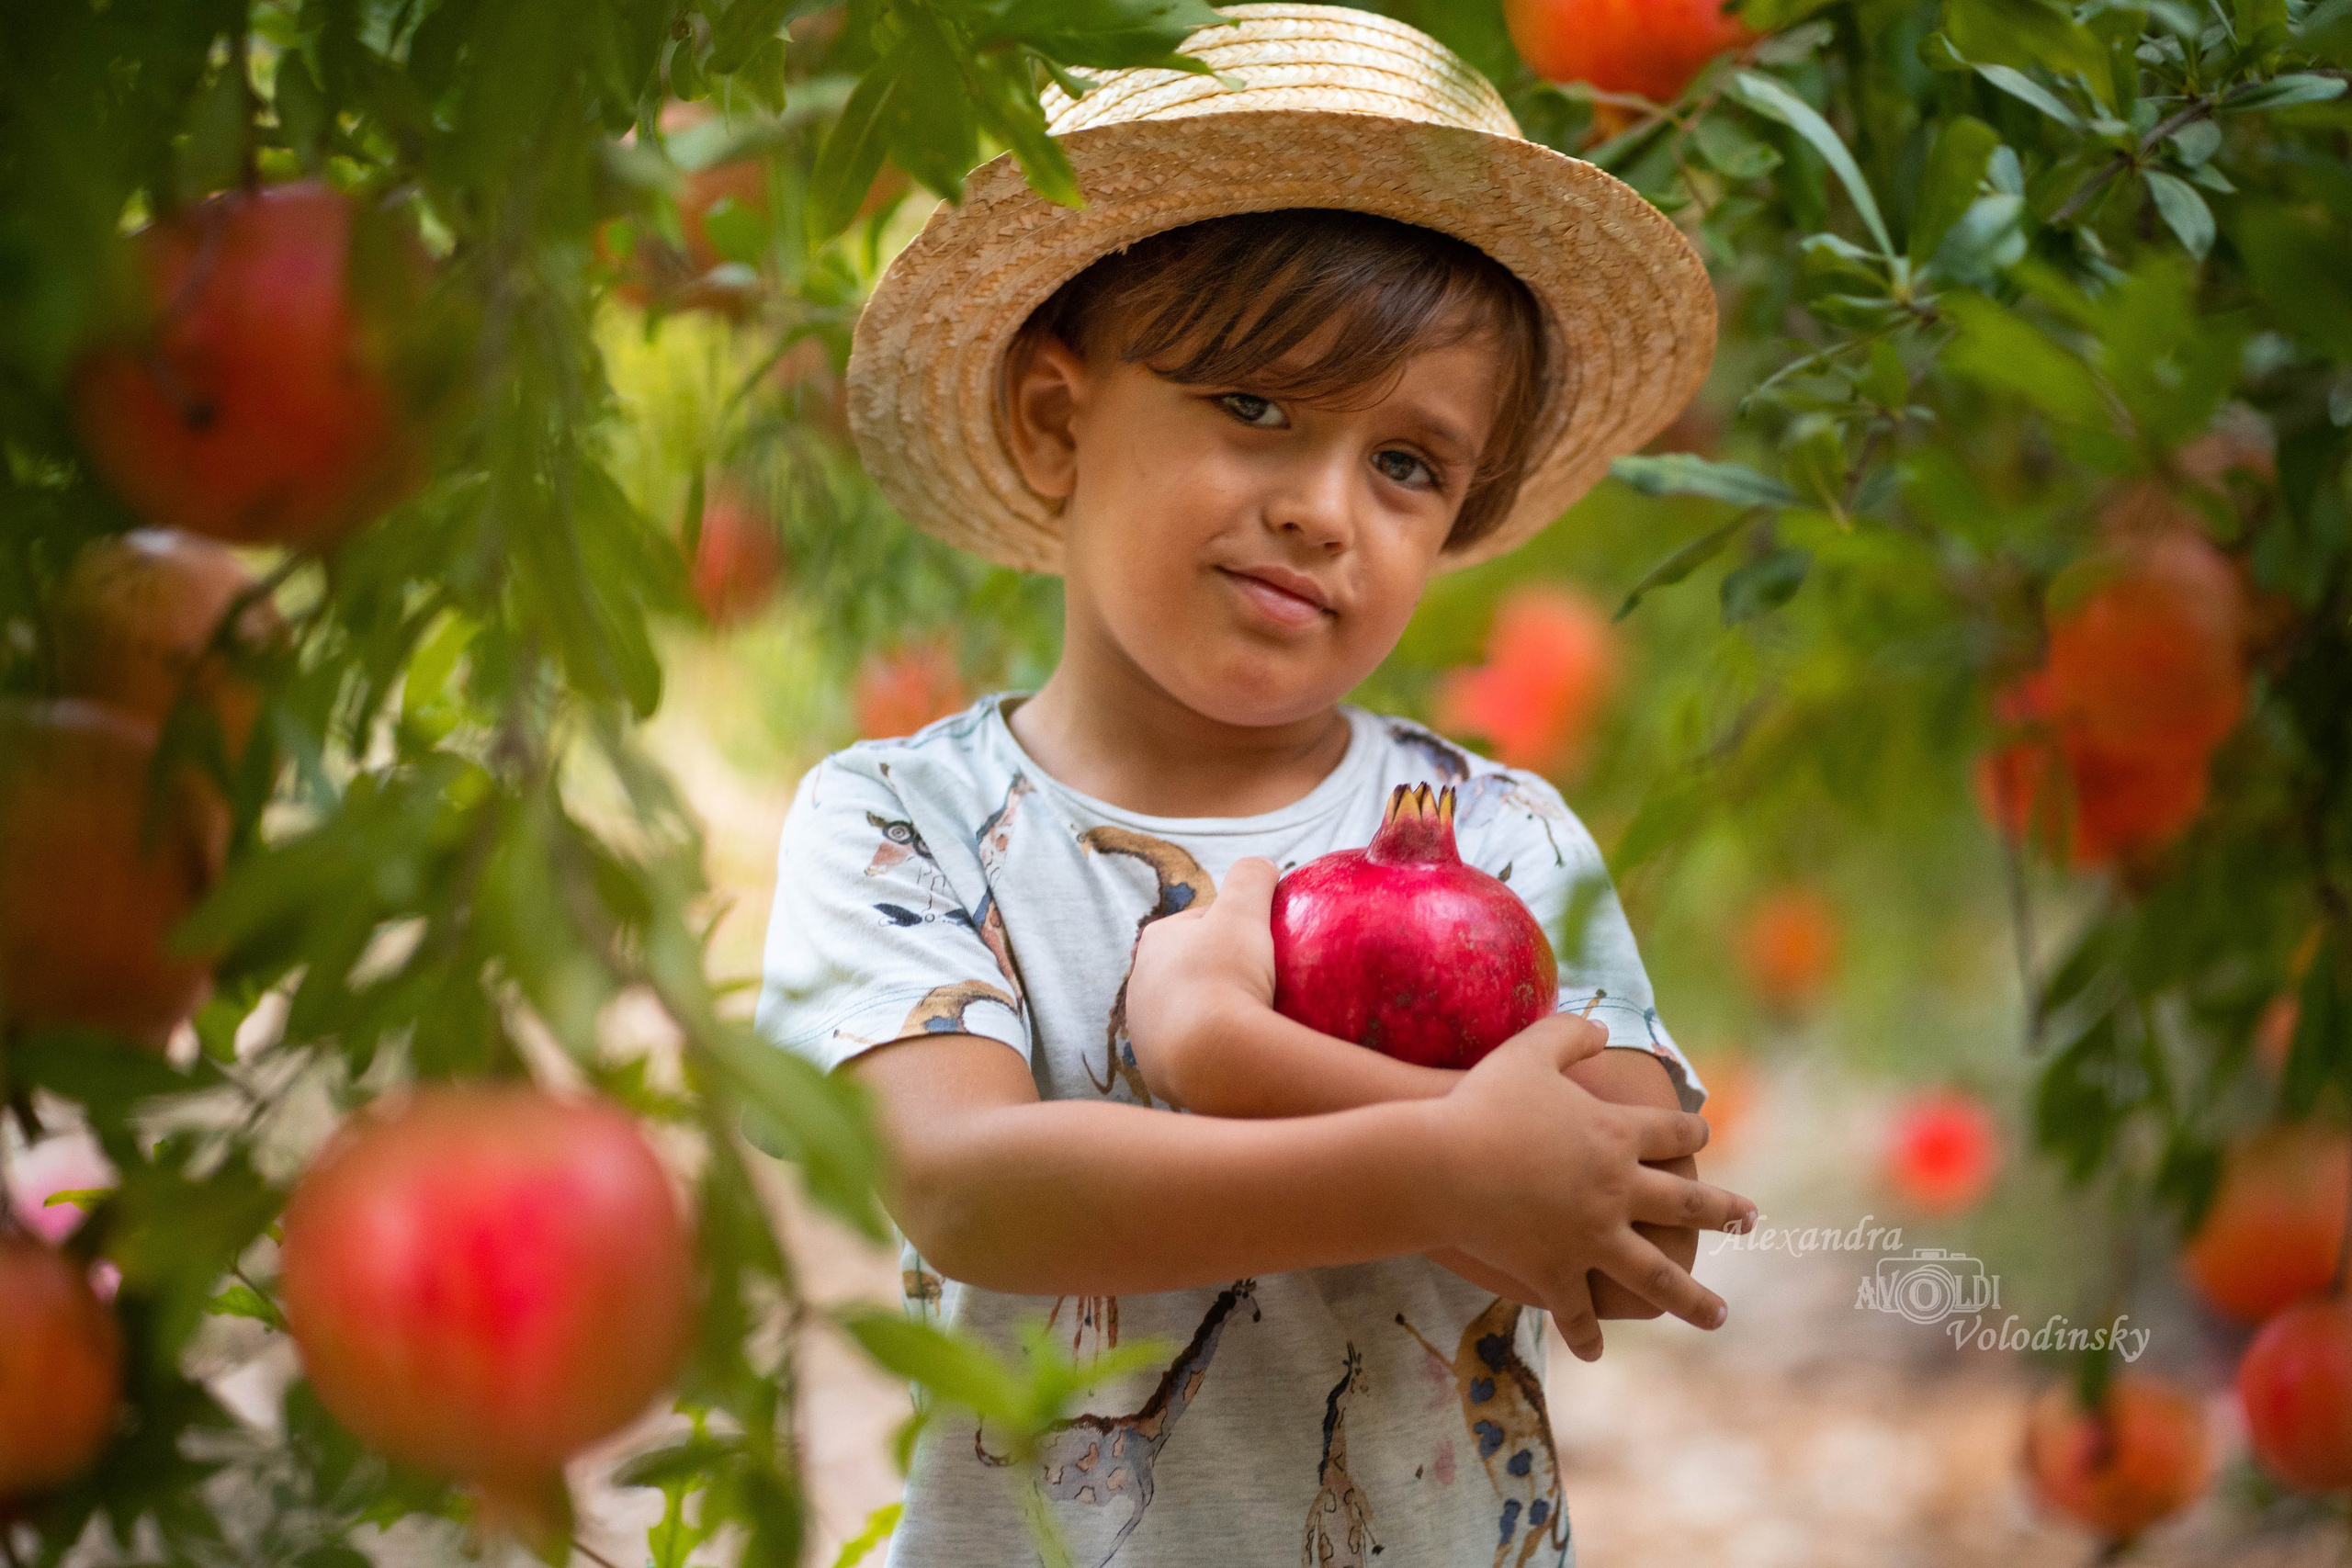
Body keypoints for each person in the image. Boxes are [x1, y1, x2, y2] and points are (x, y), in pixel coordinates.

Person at [754, 6, 1758, 1564]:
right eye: (1256, 407)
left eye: (1407, 465)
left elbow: (1624, 1229)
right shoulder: (906, 824)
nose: (1320, 509)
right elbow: (969, 1191)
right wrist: (1446, 1156)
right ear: (1055, 419)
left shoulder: (1496, 838)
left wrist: (1230, 1046)